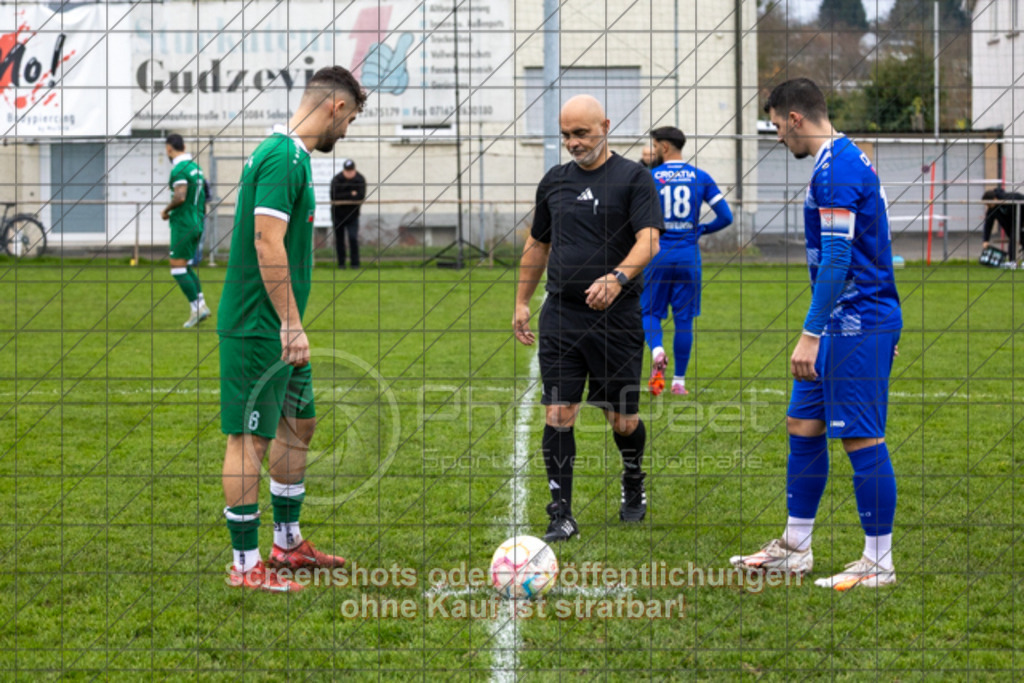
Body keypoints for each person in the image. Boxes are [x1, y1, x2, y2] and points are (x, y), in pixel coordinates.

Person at [730, 78, 902, 591]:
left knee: (860, 435)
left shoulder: (837, 169)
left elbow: (838, 257)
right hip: (844, 320)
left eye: (777, 126)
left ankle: (878, 562)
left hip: (856, 321)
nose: (779, 136)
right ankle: (795, 547)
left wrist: (811, 333)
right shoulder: (841, 159)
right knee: (802, 424)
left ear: (795, 118)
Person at [217, 66, 366, 592]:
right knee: (248, 438)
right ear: (336, 107)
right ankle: (244, 566)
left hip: (278, 326)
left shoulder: (294, 157)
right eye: (350, 121)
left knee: (298, 424)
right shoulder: (282, 156)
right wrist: (289, 324)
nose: (345, 132)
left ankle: (286, 543)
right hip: (258, 325)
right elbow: (266, 242)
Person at [513, 95, 663, 542]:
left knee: (623, 420)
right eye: (566, 135)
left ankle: (633, 479)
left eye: (581, 133)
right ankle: (561, 513)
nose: (573, 142)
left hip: (617, 320)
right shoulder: (554, 182)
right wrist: (521, 301)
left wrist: (617, 278)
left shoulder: (634, 178)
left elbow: (650, 241)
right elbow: (538, 244)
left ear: (605, 126)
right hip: (562, 315)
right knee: (558, 412)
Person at [642, 126, 733, 397]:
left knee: (650, 312)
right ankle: (678, 382)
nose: (653, 151)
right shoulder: (701, 177)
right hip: (688, 256)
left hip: (657, 254)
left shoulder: (650, 177)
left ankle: (657, 352)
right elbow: (726, 217)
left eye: (655, 146)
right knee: (684, 320)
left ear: (664, 147)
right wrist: (702, 229)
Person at [161, 134, 210, 327]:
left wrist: (166, 210)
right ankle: (201, 305)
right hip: (197, 220)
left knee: (177, 268)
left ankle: (197, 309)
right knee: (186, 266)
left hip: (183, 223)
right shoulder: (195, 168)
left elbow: (180, 196)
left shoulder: (179, 169)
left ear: (169, 148)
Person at [330, 159, 366, 268]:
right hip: (338, 215)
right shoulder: (337, 179)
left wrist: (344, 194)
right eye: (347, 171)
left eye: (351, 171)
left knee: (353, 238)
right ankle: (341, 264)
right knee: (339, 240)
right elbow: (334, 196)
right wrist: (351, 193)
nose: (349, 173)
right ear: (344, 170)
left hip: (353, 215)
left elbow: (360, 196)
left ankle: (355, 264)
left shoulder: (359, 179)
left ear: (354, 170)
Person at [981, 187, 1023, 264]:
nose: (987, 206)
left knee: (1014, 238)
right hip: (1012, 224)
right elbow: (988, 223)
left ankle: (1013, 262)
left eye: (988, 203)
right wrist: (985, 240)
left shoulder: (1010, 199)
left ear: (994, 199)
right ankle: (1013, 261)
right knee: (1017, 238)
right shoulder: (992, 209)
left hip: (1020, 217)